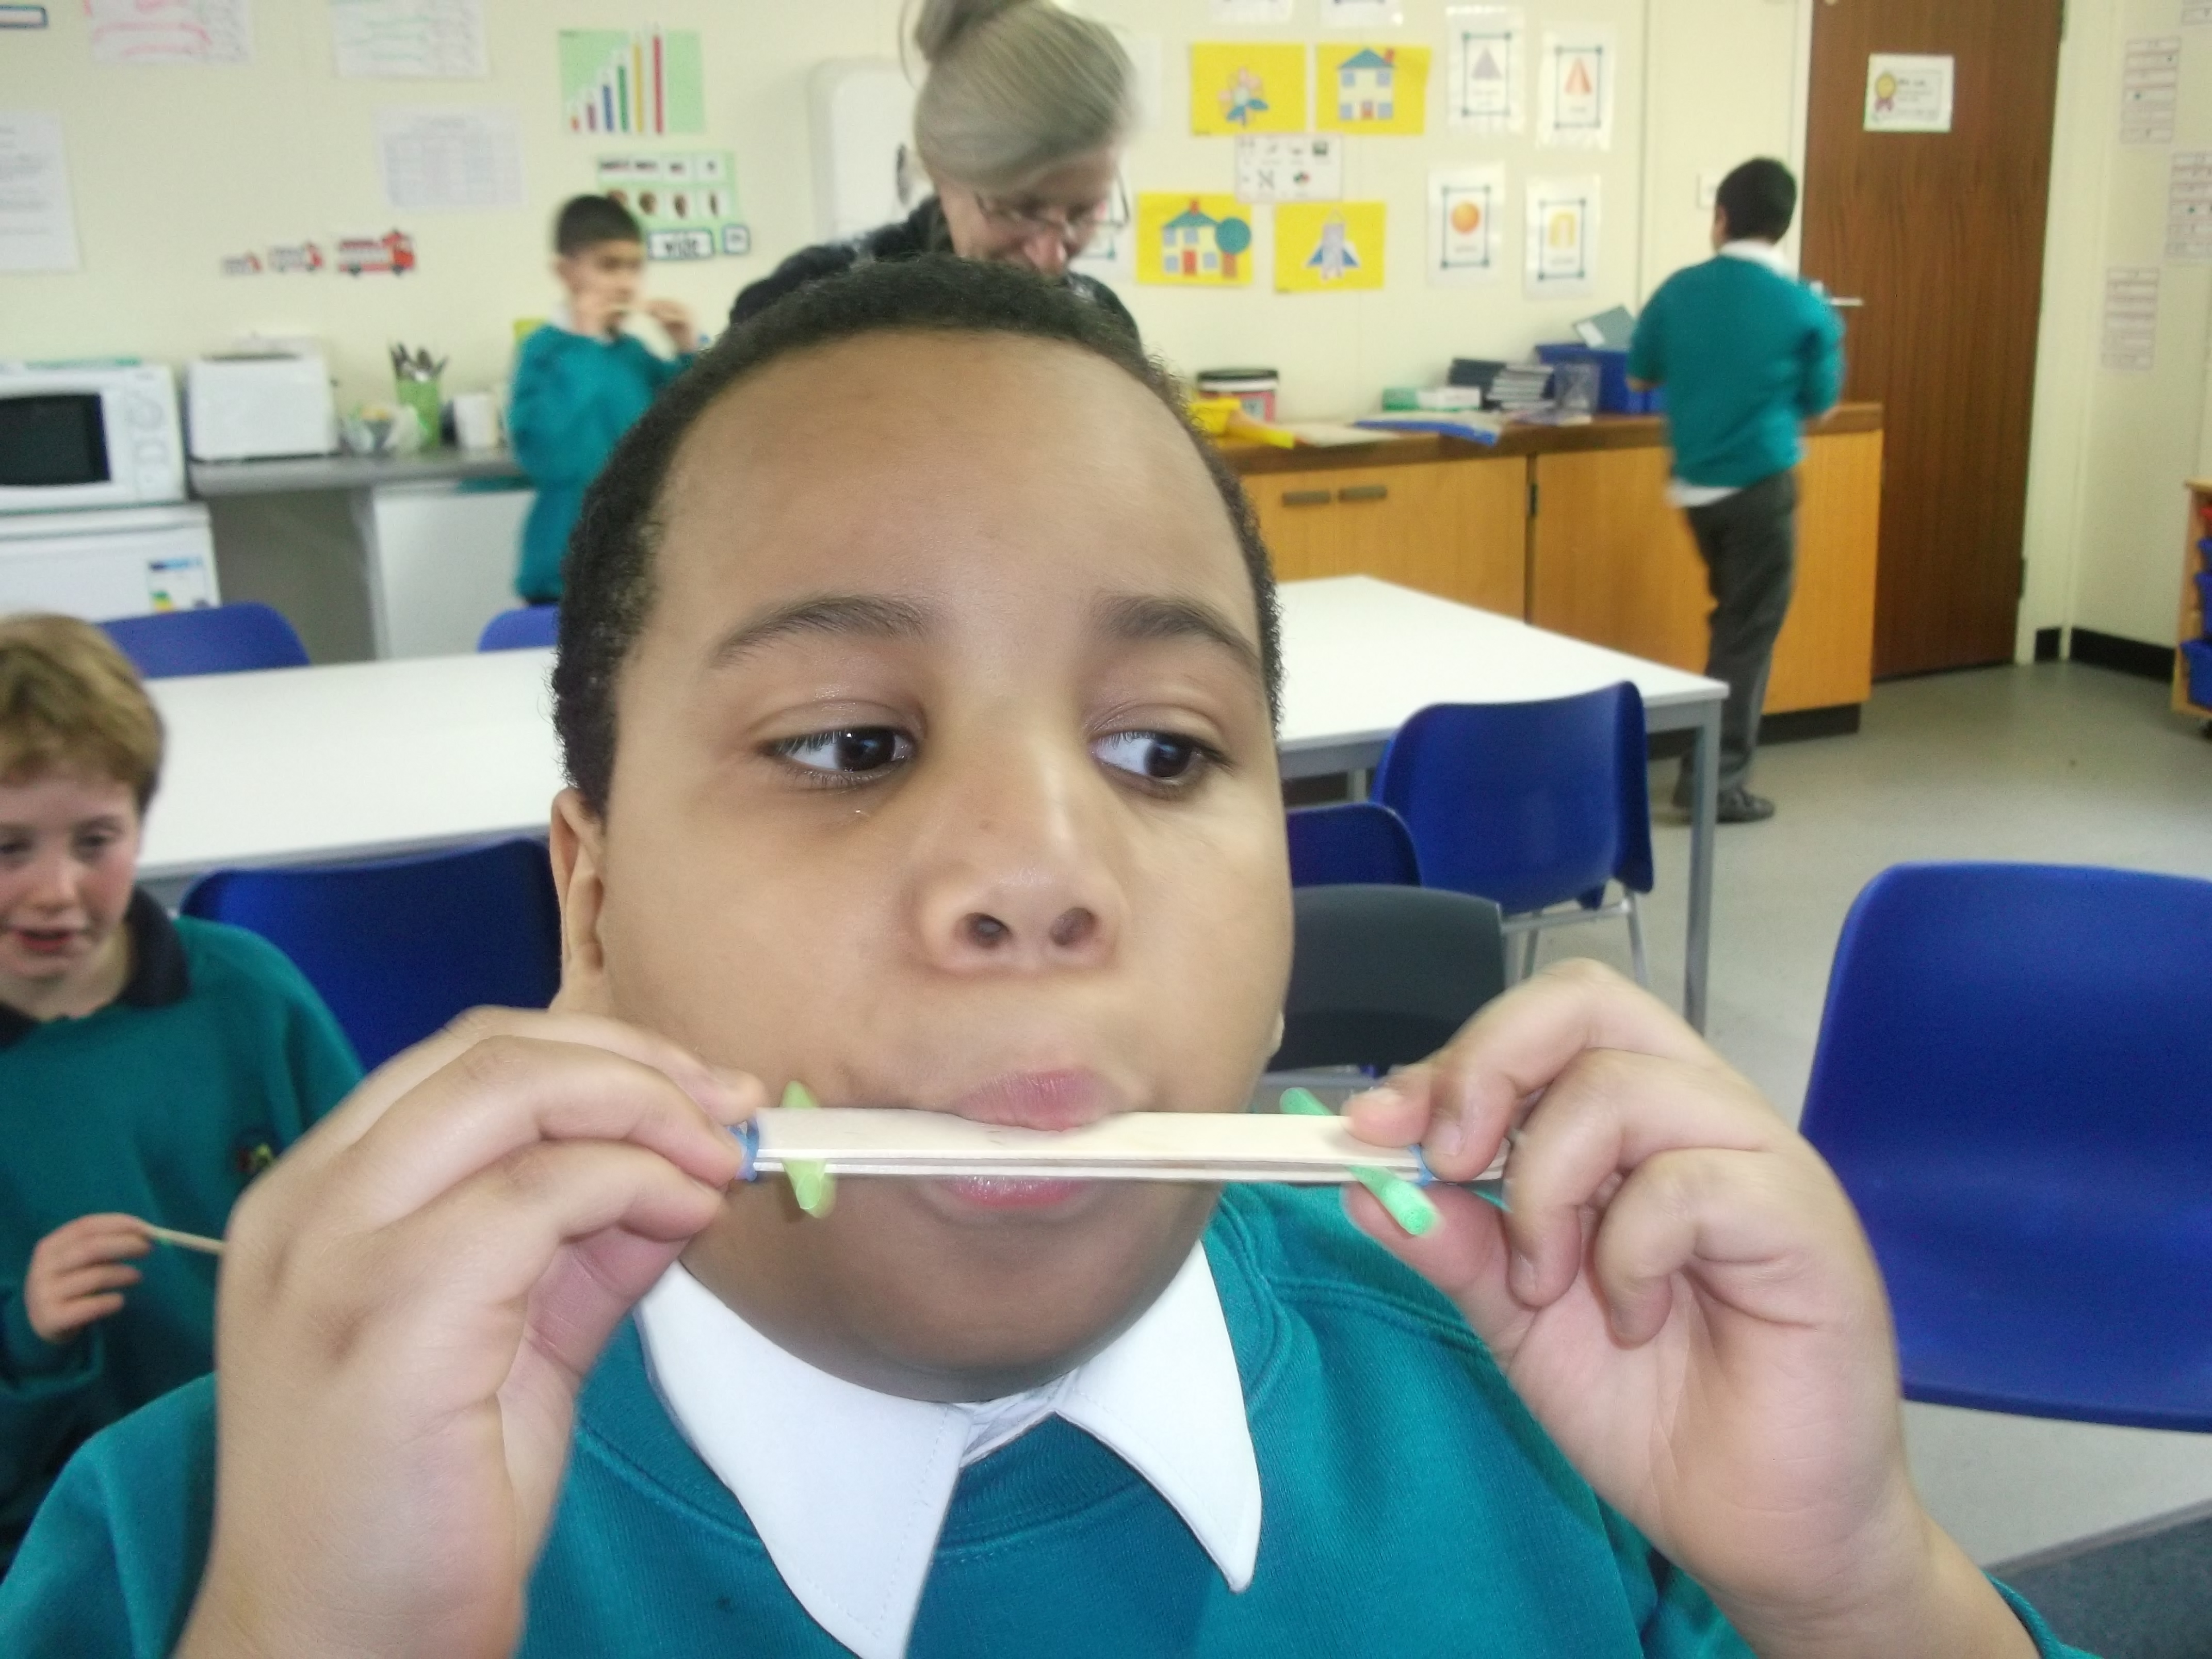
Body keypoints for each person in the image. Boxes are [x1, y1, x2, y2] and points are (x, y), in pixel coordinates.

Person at [0, 262, 2081, 1658]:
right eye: (847, 745)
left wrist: (1859, 1588)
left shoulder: (1573, 1397)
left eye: (1163, 752)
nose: (1038, 875)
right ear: (595, 897)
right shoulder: (213, 1536)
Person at [0, 615, 359, 1574]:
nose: (55, 890)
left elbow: (373, 1223)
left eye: (96, 841)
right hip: (64, 1541)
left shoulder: (248, 993)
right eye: (8, 848)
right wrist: (28, 1336)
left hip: (289, 1486)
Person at [1629, 158, 1844, 825]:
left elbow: (1638, 376)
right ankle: (1714, 783)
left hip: (1695, 493)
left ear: (1721, 218)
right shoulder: (1804, 307)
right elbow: (1822, 406)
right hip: (1762, 487)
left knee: (1733, 623)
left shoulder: (1679, 291)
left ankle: (1706, 760)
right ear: (1783, 225)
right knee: (1747, 633)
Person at [730, 0, 1137, 340]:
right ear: (941, 171)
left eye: (1083, 214)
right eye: (1019, 210)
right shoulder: (803, 311)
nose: (1051, 258)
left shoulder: (1101, 323)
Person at [508, 194, 700, 605]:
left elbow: (692, 422)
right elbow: (547, 455)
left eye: (635, 267)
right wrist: (583, 343)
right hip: (562, 578)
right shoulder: (543, 352)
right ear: (566, 273)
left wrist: (687, 350)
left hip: (636, 572)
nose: (626, 283)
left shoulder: (633, 355)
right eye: (609, 266)